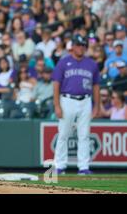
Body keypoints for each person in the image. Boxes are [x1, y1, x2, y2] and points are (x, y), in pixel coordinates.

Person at [52, 34, 100, 175]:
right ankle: (59, 165)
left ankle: (83, 167)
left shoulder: (92, 64)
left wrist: (97, 106)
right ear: (72, 46)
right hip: (67, 99)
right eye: (78, 45)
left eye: (83, 45)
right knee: (63, 134)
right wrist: (57, 105)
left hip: (86, 100)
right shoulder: (63, 62)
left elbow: (96, 86)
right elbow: (56, 84)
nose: (81, 47)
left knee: (84, 134)